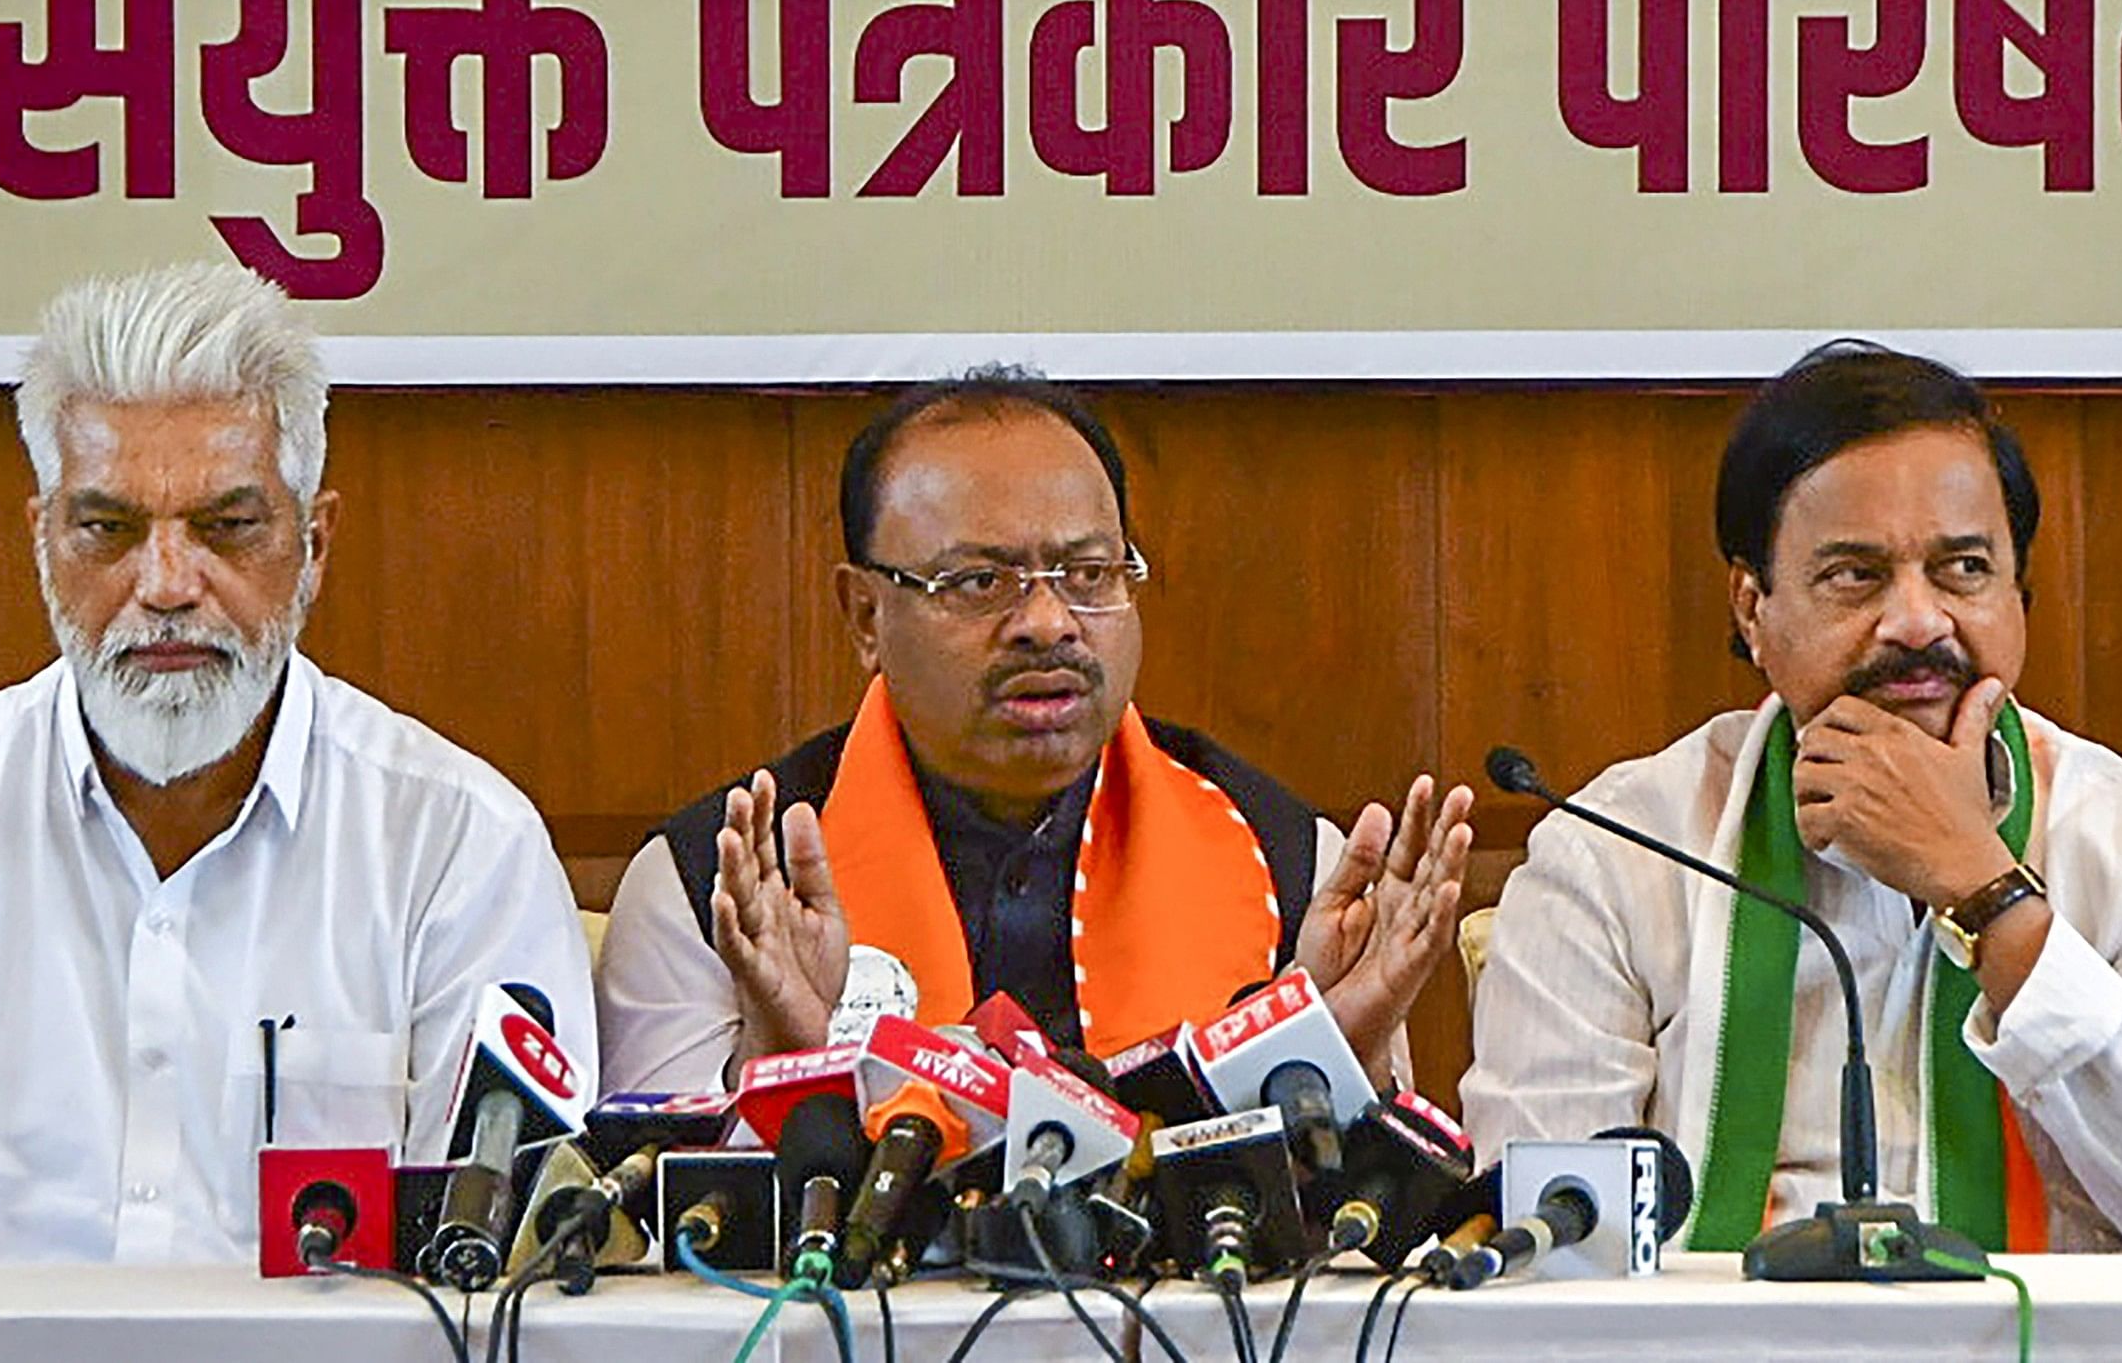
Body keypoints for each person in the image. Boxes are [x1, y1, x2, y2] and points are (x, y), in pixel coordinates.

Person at [0, 261, 589, 1261]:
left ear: (314, 545)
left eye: (227, 527)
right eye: (107, 529)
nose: (166, 586)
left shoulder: (459, 849)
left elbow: (498, 1295)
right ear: (42, 542)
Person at [1465, 343, 2122, 1252]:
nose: (1917, 621)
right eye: (1856, 575)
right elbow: (1549, 1243)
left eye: (1963, 569)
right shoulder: (1616, 851)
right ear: (1754, 608)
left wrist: (1990, 896)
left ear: (2018, 592)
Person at [596, 369, 1470, 1088]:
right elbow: (660, 1255)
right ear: (864, 614)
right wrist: (787, 1063)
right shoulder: (718, 885)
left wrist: (1327, 1059)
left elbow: (1356, 1257)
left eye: (1089, 572)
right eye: (980, 582)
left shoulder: (1285, 863)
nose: (1049, 622)